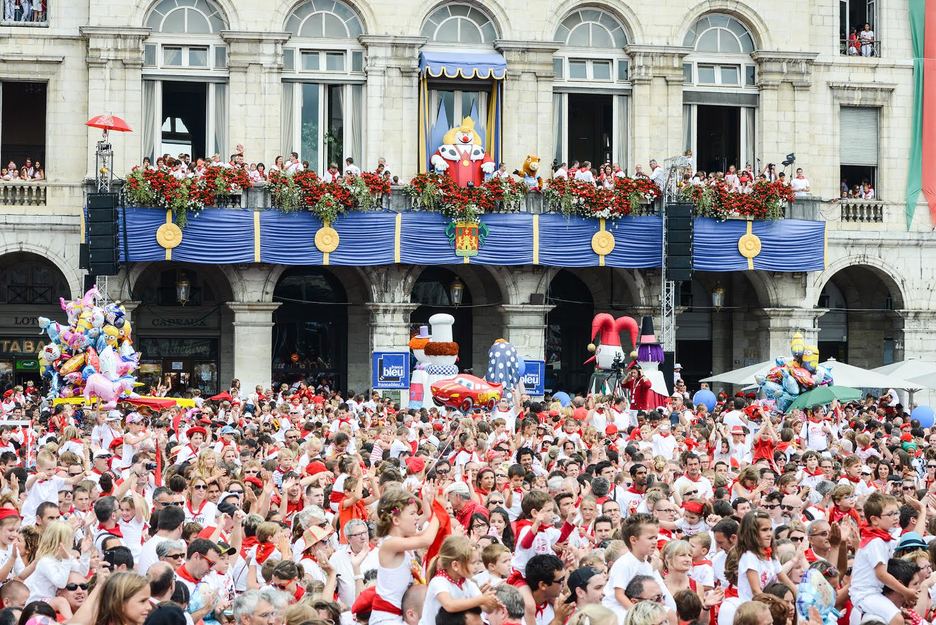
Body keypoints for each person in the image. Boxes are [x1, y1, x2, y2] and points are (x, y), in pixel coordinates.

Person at [849, 493, 917, 625]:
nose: (896, 517)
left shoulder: (883, 538)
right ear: (874, 519)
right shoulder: (876, 542)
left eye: (897, 513)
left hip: (874, 592)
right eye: (890, 514)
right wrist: (906, 592)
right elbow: (881, 575)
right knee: (897, 619)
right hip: (865, 594)